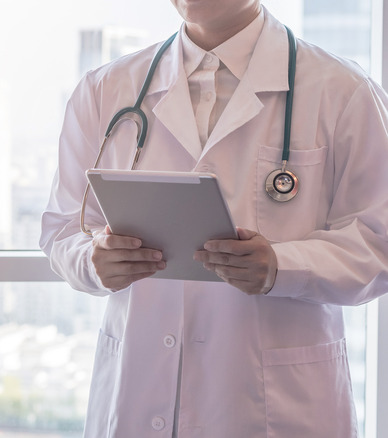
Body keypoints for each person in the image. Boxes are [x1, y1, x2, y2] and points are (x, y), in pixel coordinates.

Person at [40, 0, 388, 436]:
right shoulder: (106, 89)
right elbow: (62, 230)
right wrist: (93, 261)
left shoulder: (342, 91)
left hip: (274, 409)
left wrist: (283, 267)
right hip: (137, 393)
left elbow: (380, 242)